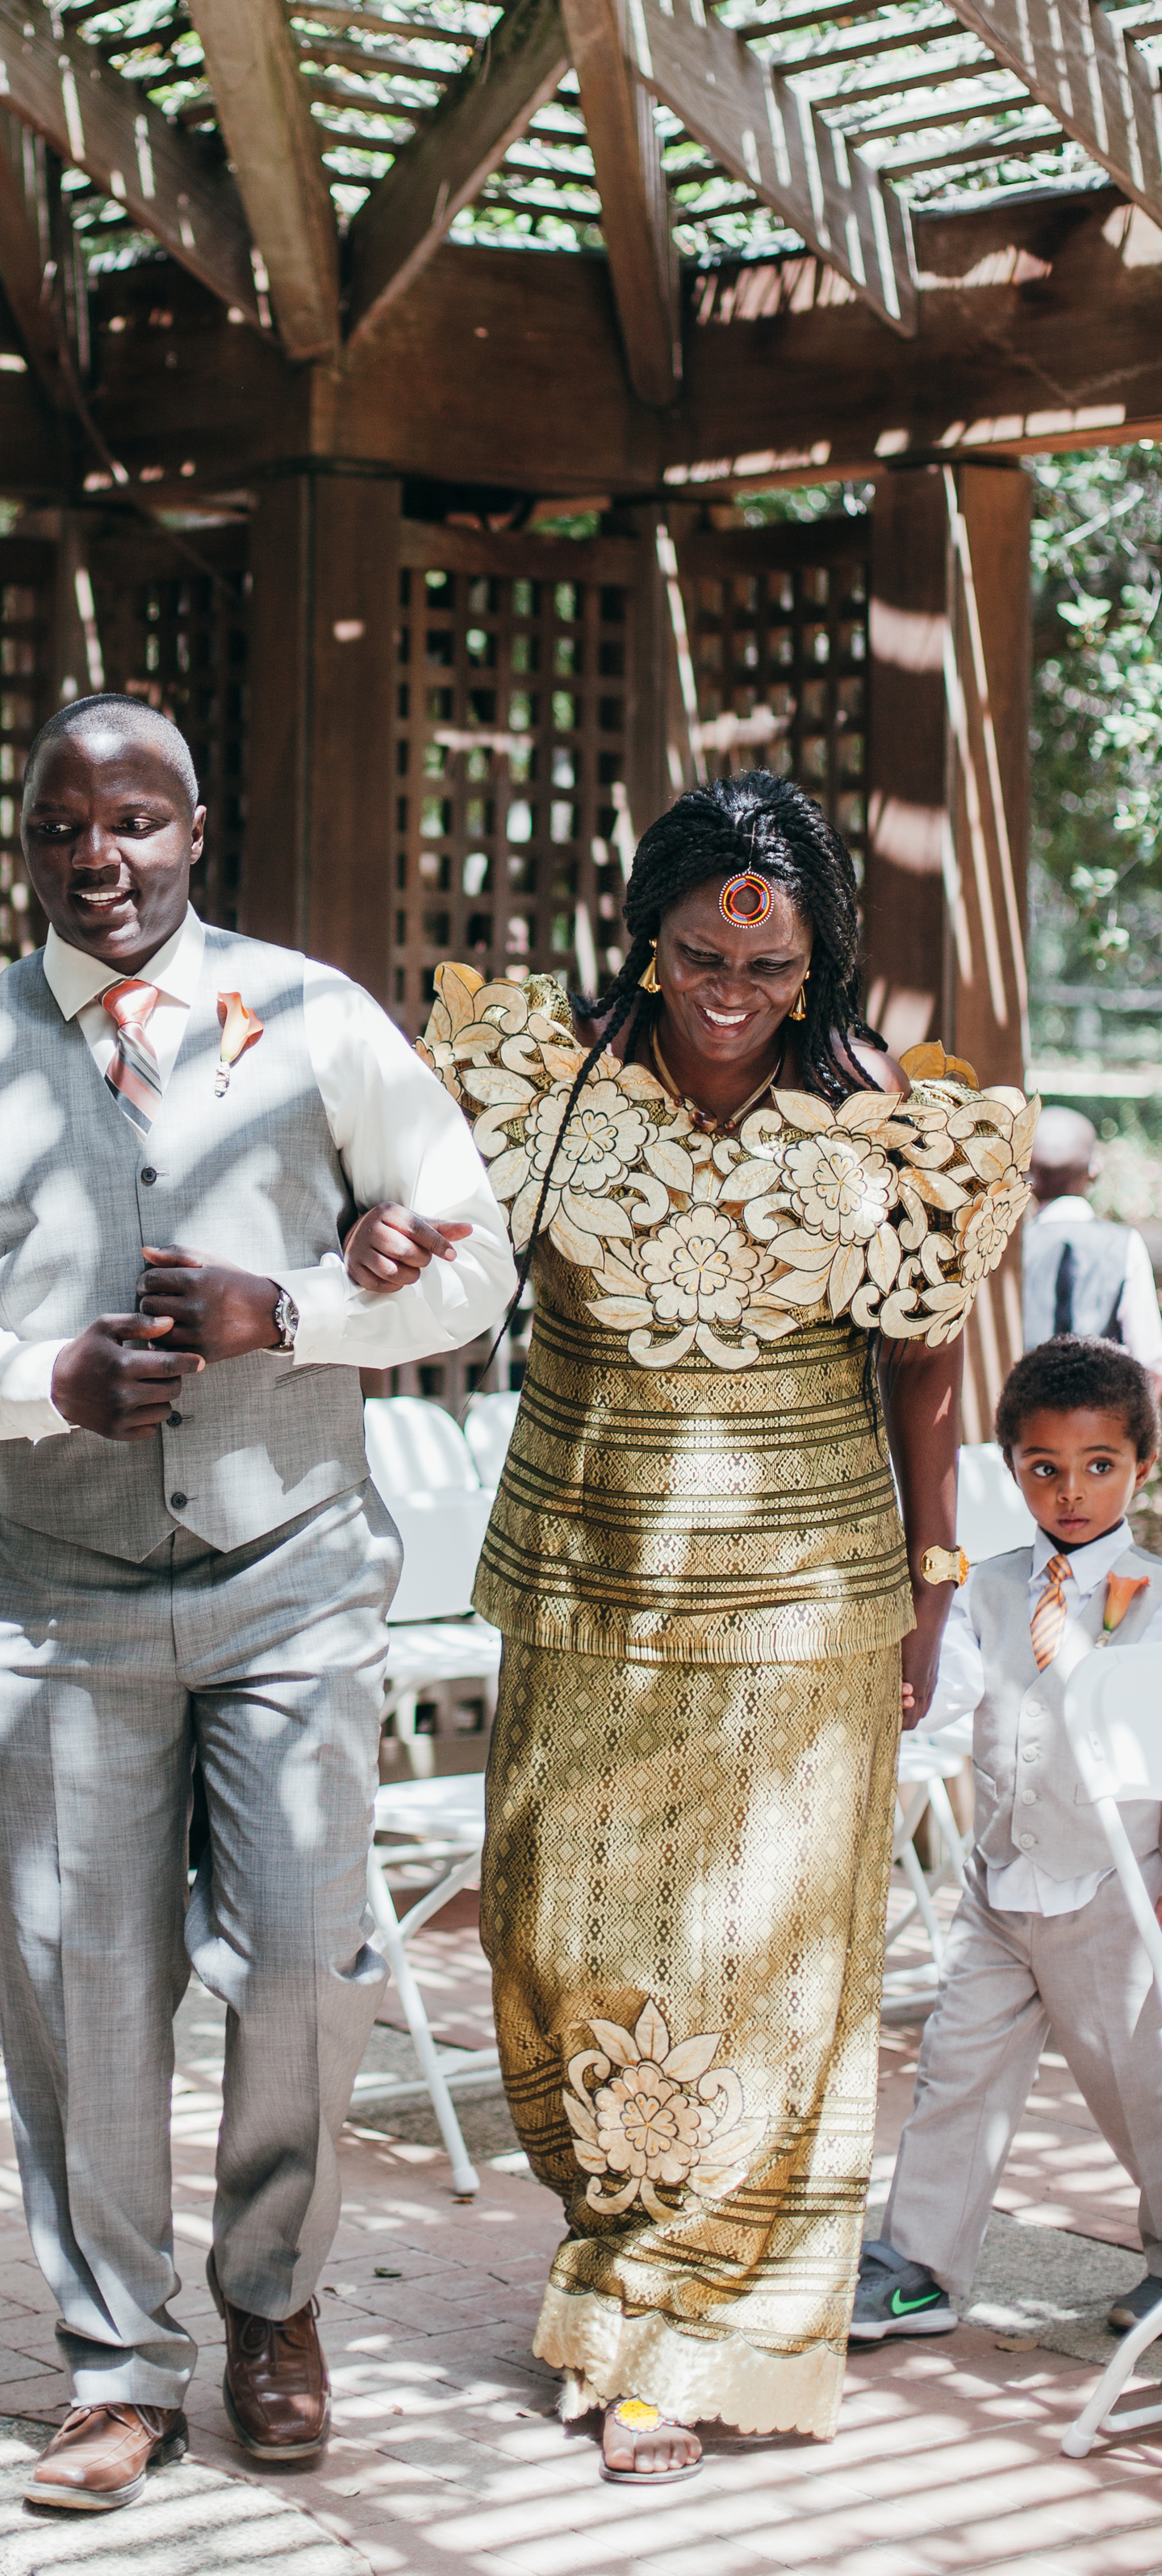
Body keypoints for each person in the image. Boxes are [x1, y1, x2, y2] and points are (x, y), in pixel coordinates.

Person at [0, 691, 513, 2511]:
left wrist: (292, 1308)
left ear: (192, 830)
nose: (97, 860)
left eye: (132, 823)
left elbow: (469, 1265)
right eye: (62, 829)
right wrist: (37, 1378)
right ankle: (113, 2363)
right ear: (23, 850)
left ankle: (272, 2306)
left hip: (292, 1575)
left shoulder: (315, 1019)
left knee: (302, 1958)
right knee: (75, 1980)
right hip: (55, 1597)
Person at [423, 770, 1035, 2479]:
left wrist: (929, 1592)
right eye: (701, 952)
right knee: (557, 1949)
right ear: (648, 938)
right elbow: (421, 1271)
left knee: (760, 1978)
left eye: (766, 968)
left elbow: (921, 1379)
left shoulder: (882, 1123)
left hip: (807, 1611)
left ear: (812, 967)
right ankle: (616, 2264)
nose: (731, 988)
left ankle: (688, 2341)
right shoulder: (534, 1100)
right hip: (583, 1589)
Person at [857, 1338, 1162, 2345]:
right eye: (1043, 1468)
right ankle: (918, 2267)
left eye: (1097, 1466)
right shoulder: (984, 1588)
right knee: (957, 2071)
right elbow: (947, 1702)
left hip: (1118, 1892)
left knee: (1140, 2090)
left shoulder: (1158, 1600)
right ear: (1011, 1468)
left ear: (1140, 1467)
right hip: (999, 1886)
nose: (1070, 1492)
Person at [1023, 1107, 1162, 1386]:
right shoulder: (1123, 1245)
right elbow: (1150, 1364)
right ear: (1094, 1172)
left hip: (1023, 1422)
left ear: (1028, 1177)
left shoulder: (1003, 1250)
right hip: (1101, 1417)